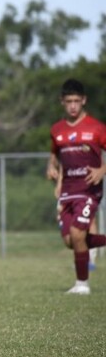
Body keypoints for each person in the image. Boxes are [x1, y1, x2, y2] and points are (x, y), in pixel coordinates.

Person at [46, 78, 106, 295]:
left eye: (76, 101)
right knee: (71, 241)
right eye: (69, 101)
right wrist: (51, 168)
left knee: (78, 234)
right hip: (67, 191)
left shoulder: (97, 128)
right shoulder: (57, 130)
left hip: (89, 190)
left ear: (84, 101)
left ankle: (82, 284)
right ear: (62, 101)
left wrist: (102, 170)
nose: (73, 105)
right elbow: (54, 155)